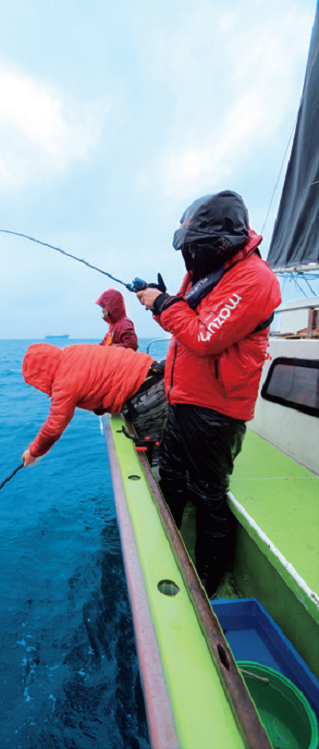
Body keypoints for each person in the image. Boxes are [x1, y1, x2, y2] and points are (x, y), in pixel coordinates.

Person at [136, 190, 281, 598]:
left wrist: (163, 303)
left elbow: (203, 336)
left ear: (218, 245)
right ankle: (163, 542)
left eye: (195, 247)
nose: (190, 256)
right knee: (174, 477)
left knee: (208, 495)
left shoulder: (255, 280)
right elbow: (190, 313)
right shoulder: (211, 270)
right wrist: (161, 299)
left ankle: (206, 582)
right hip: (184, 398)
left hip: (216, 411)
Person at [21, 343, 167, 466]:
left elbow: (54, 426)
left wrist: (34, 452)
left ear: (40, 375)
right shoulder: (73, 351)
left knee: (152, 455)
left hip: (147, 396)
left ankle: (166, 495)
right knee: (174, 439)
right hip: (157, 375)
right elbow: (98, 377)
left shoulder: (63, 383)